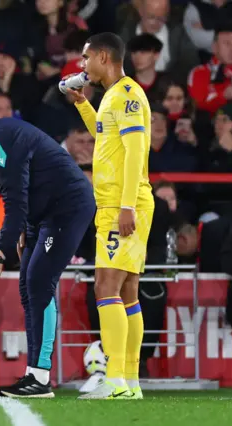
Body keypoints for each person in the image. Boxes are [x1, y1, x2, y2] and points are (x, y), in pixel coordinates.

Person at [0, 115, 96, 398]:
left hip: (66, 207)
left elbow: (14, 201)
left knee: (39, 282)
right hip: (44, 212)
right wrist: (26, 229)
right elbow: (24, 191)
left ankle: (40, 376)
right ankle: (34, 375)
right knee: (28, 285)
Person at [66, 32, 154, 400]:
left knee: (106, 288)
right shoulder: (114, 97)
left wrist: (127, 206)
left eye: (85, 58)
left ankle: (115, 379)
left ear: (103, 56)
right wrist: (83, 105)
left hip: (122, 205)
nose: (82, 66)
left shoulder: (129, 95)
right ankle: (129, 382)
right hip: (117, 204)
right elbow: (106, 141)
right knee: (128, 293)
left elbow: (135, 152)